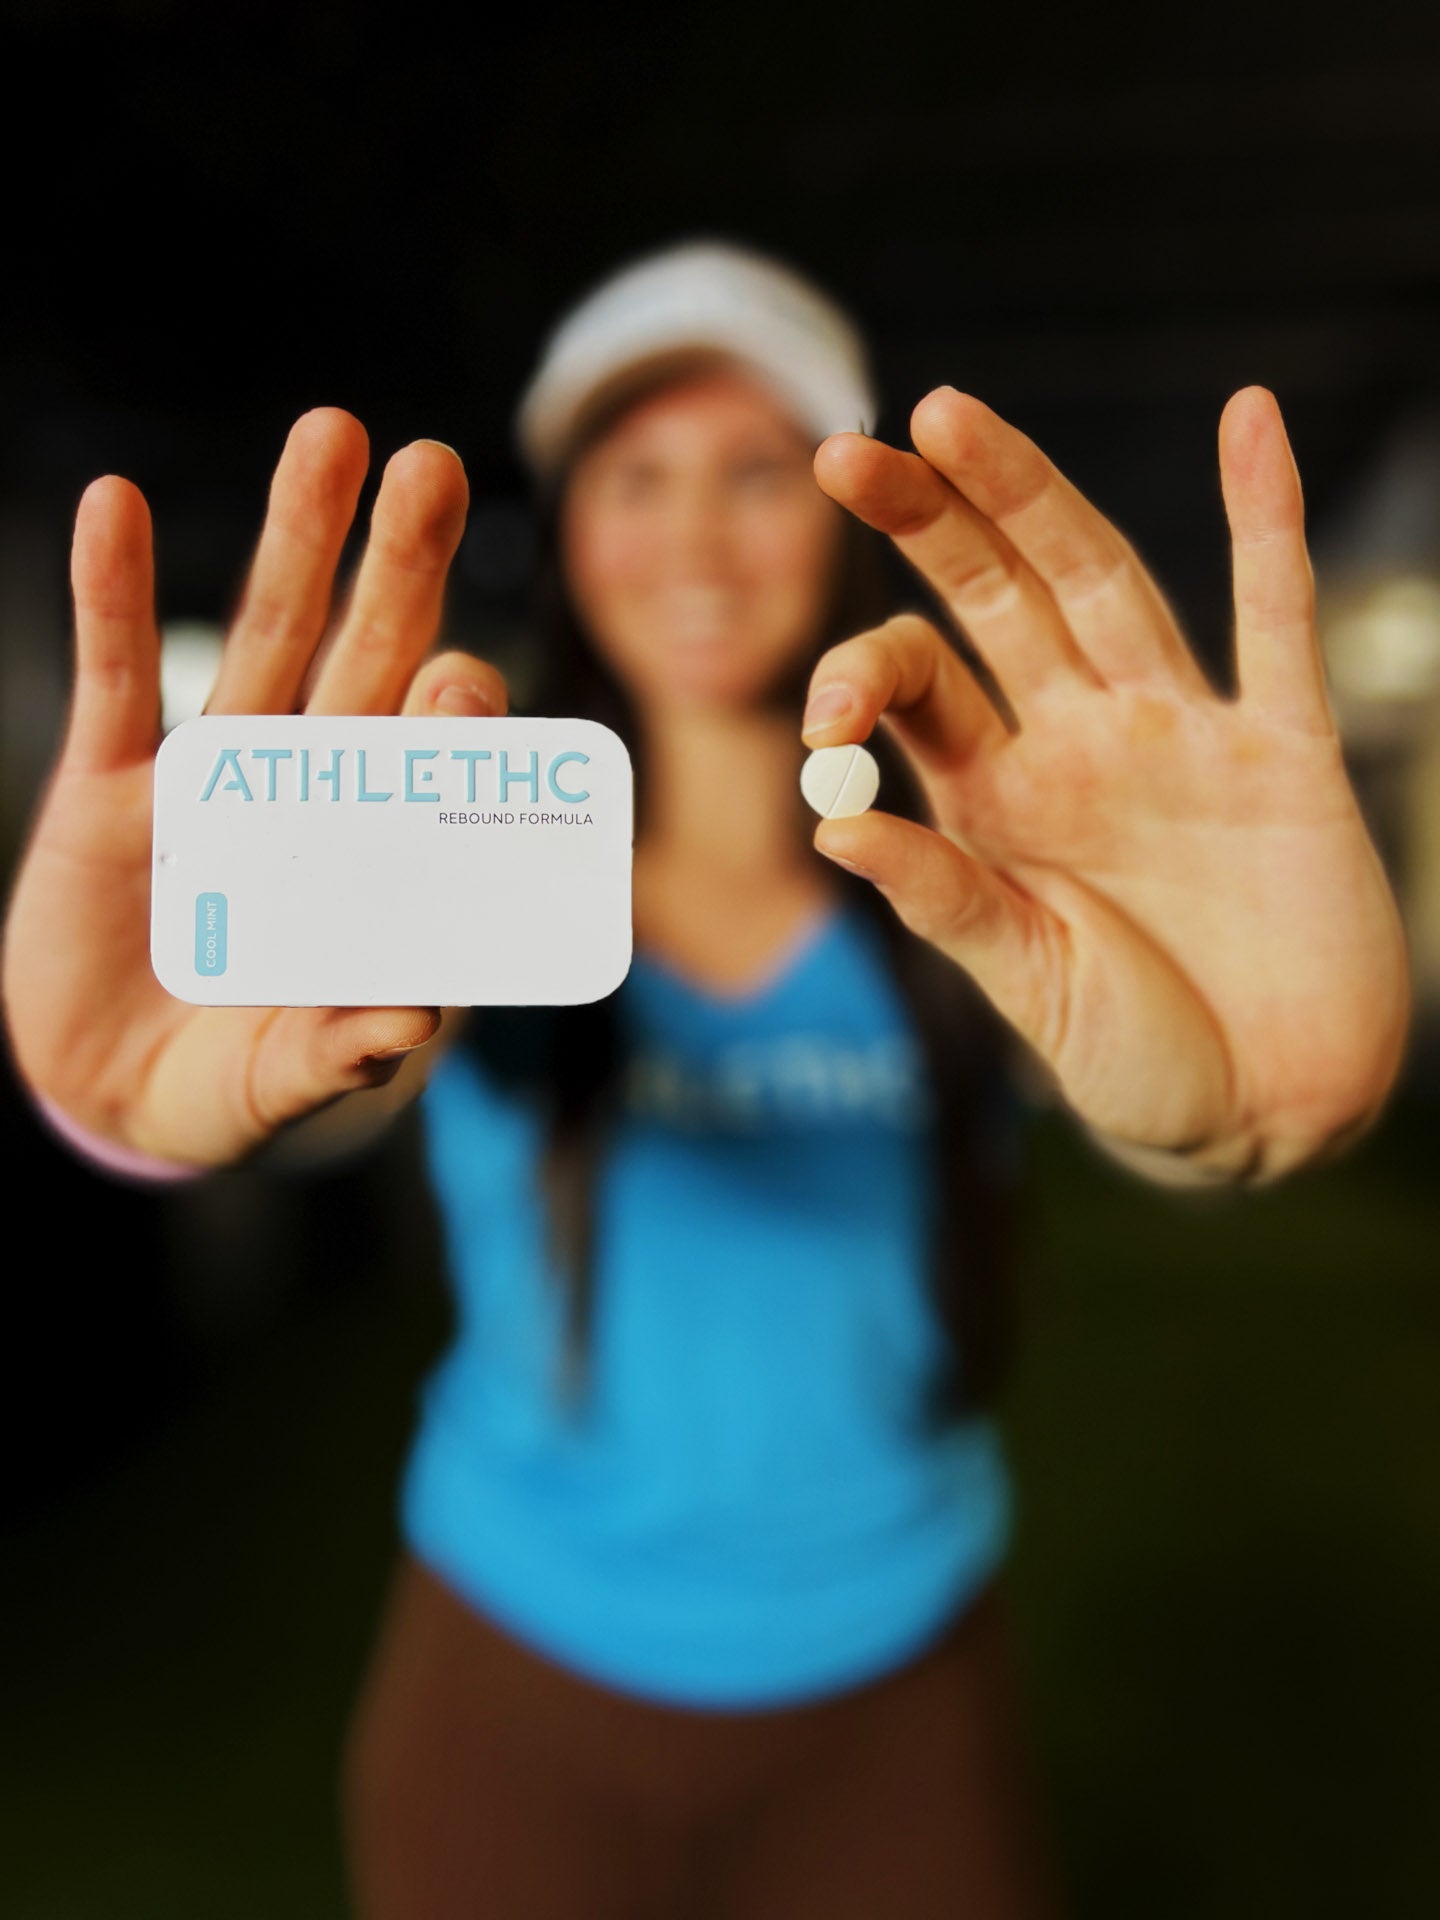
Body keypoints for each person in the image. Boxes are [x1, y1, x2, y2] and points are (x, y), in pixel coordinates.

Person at [1, 239, 1411, 1918]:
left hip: (898, 1681)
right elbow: (328, 1075)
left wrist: (1248, 1125)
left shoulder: (975, 856)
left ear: (841, 518)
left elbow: (1139, 1084)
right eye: (636, 475)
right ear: (573, 522)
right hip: (511, 1674)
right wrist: (136, 1102)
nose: (692, 534)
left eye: (756, 471)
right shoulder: (456, 848)